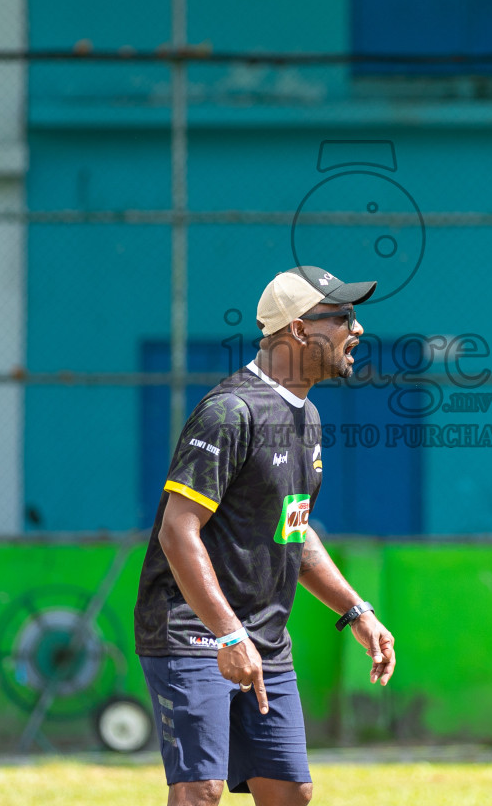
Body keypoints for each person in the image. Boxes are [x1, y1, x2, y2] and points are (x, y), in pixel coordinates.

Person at [135, 266, 397, 806]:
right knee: (200, 792)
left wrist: (356, 611)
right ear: (299, 330)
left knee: (289, 794)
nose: (358, 328)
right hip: (194, 631)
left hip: (265, 640)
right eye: (343, 316)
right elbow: (177, 529)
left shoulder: (308, 418)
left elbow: (294, 531)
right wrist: (229, 635)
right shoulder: (230, 412)